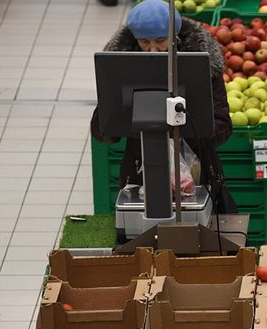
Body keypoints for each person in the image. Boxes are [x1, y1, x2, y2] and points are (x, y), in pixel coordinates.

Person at [90, 0, 236, 213]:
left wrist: (186, 129)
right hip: (141, 172)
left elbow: (223, 123)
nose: (153, 49)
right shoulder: (122, 66)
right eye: (144, 42)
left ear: (175, 37)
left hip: (195, 171)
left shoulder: (202, 66)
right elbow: (101, 130)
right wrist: (117, 120)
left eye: (160, 40)